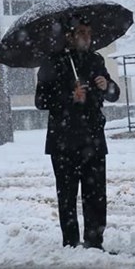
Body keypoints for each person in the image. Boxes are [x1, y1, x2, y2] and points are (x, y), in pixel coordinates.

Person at [35, 15, 121, 251]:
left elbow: (114, 94)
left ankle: (95, 242)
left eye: (89, 33)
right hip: (63, 141)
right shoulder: (52, 63)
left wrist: (107, 86)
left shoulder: (95, 60)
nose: (87, 37)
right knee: (67, 196)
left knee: (96, 195)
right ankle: (70, 243)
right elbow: (40, 100)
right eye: (82, 32)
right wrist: (68, 97)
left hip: (92, 137)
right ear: (69, 36)